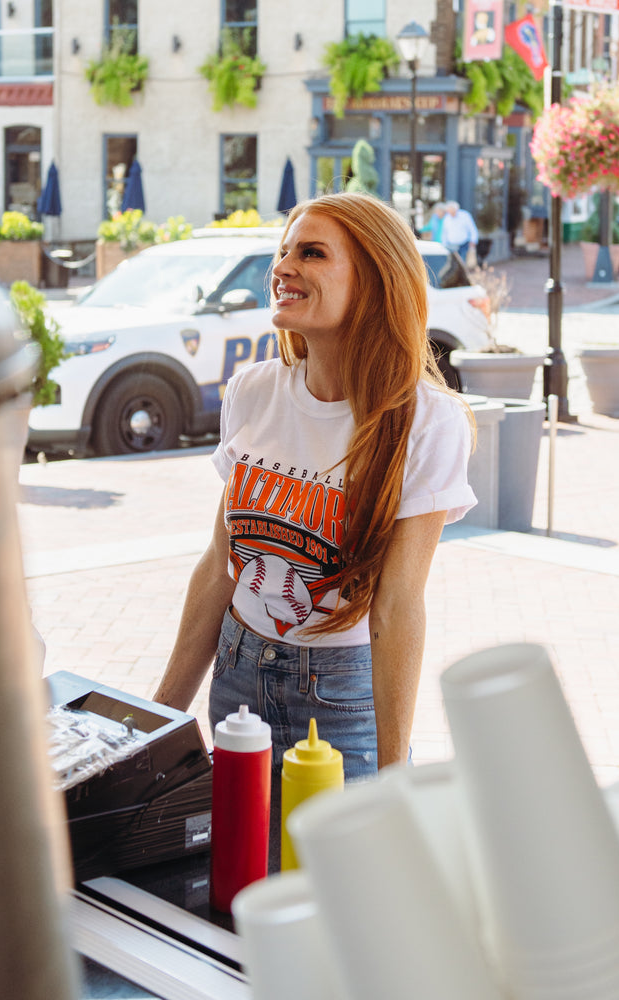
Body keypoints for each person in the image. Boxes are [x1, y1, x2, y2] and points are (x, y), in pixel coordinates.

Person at [151, 192, 476, 786]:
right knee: (242, 872)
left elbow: (399, 606)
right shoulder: (253, 392)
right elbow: (221, 565)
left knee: (341, 877)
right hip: (237, 676)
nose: (282, 266)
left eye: (312, 253)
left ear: (374, 282)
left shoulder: (428, 422)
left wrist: (393, 769)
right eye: (283, 251)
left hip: (340, 698)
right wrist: (159, 723)